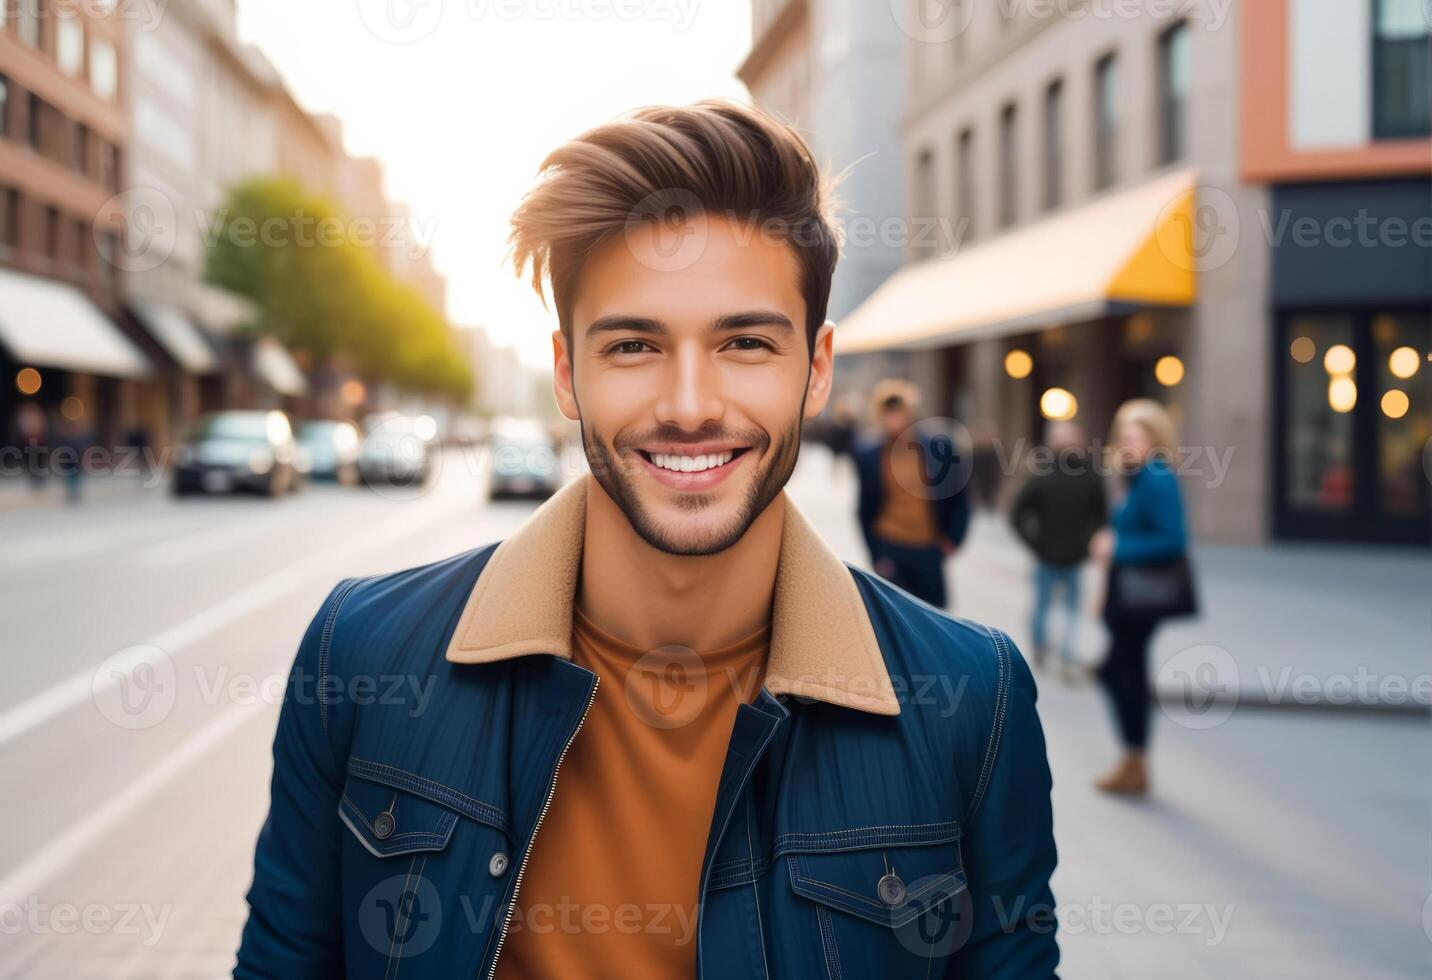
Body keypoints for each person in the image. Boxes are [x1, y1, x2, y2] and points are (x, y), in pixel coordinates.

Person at [236, 99, 1058, 979]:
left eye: (744, 342)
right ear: (567, 373)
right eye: (634, 346)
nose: (691, 405)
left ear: (816, 371)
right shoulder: (361, 655)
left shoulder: (975, 699)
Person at [1090, 399, 1190, 796]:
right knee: (1122, 671)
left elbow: (1173, 539)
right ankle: (1133, 759)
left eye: (1136, 436)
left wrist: (1119, 547)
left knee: (1119, 671)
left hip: (1143, 597)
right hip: (1124, 594)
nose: (1127, 443)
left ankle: (1135, 758)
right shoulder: (1131, 477)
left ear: (1155, 439)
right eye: (1124, 436)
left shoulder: (1158, 477)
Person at [852, 379, 971, 610]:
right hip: (891, 545)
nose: (893, 418)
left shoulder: (939, 447)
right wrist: (876, 552)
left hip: (928, 546)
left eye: (898, 412)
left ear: (909, 413)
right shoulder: (869, 454)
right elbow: (864, 507)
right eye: (888, 413)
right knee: (894, 616)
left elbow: (960, 496)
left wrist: (952, 539)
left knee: (934, 616)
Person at [1010, 420, 1107, 679]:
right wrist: (1035, 544)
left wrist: (1088, 544)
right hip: (1047, 556)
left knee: (1069, 609)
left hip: (1073, 557)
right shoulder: (1042, 475)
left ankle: (1062, 654)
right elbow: (1018, 513)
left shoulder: (1090, 476)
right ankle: (1043, 648)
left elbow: (1101, 513)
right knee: (1046, 607)